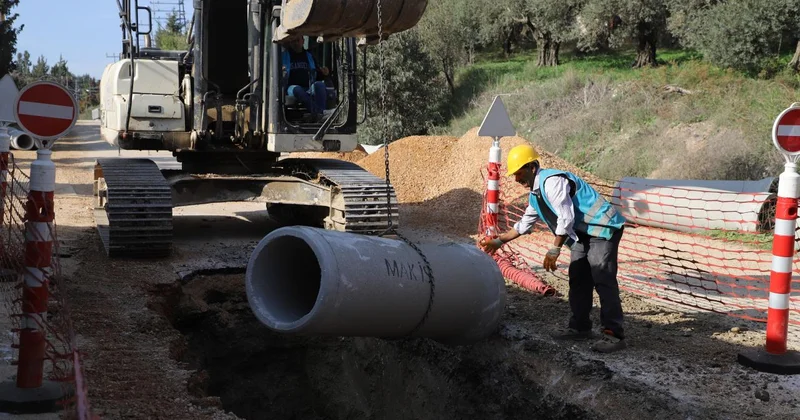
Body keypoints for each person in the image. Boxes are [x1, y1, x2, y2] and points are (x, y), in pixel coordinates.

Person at [477, 143, 628, 353]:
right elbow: (525, 224)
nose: (516, 179)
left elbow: (566, 217)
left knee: (602, 278)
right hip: (583, 233)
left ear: (531, 167)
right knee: (578, 278)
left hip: (603, 227)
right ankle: (580, 327)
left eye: (519, 173)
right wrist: (499, 241)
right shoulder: (535, 195)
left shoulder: (552, 182)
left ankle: (613, 334)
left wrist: (554, 249)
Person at [281, 36, 332, 121]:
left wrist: (324, 73)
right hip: (290, 88)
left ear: (303, 41)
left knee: (319, 85)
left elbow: (317, 74)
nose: (296, 43)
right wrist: (282, 72)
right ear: (290, 42)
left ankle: (320, 115)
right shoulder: (284, 56)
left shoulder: (309, 56)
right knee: (297, 89)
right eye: (293, 41)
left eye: (298, 40)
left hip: (308, 87)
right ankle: (321, 113)